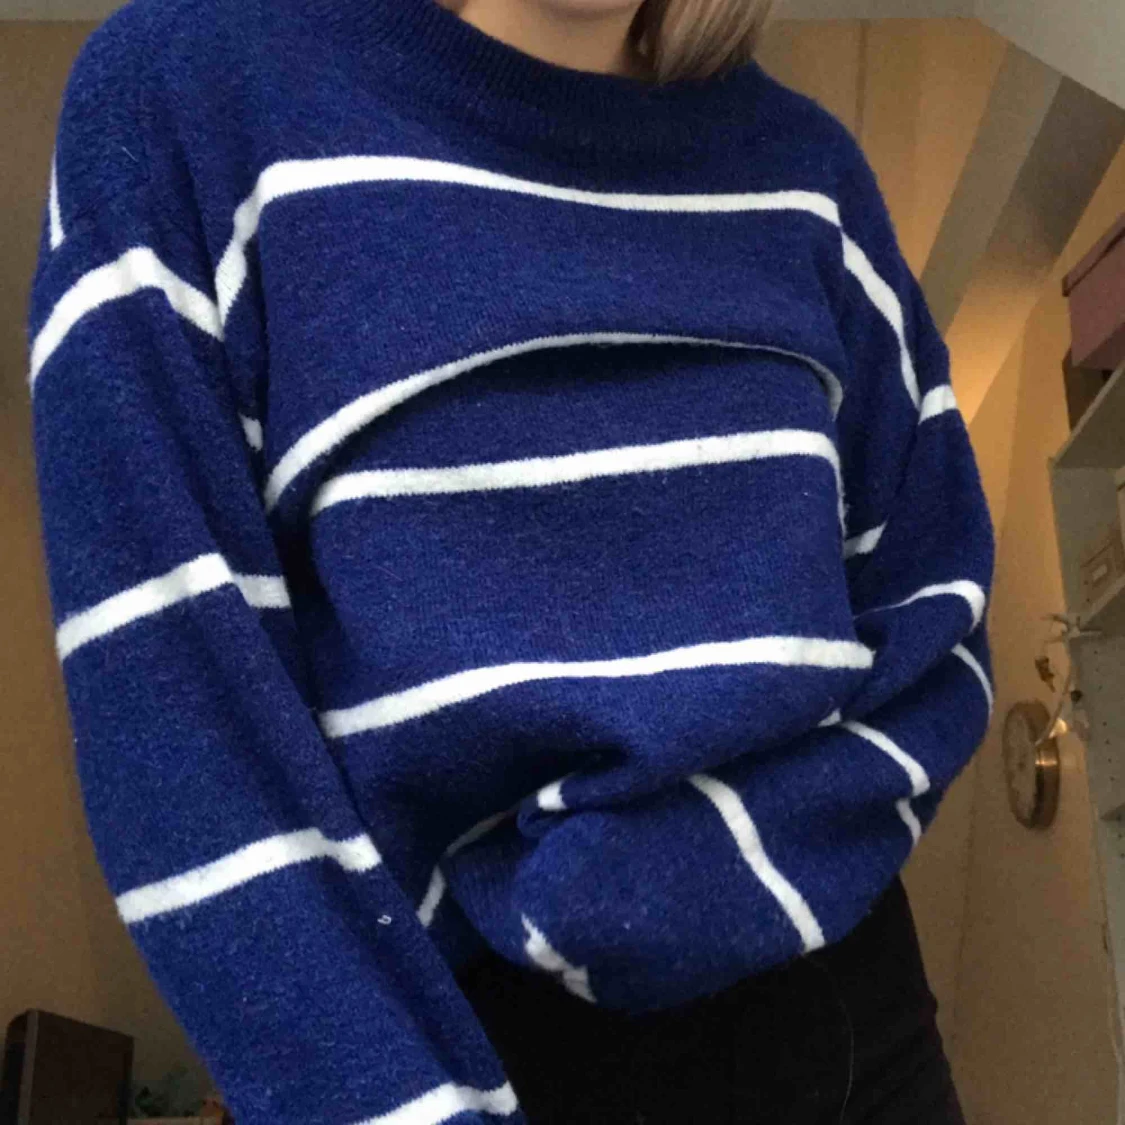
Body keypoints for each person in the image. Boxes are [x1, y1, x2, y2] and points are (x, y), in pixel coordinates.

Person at [27, 0, 995, 1122]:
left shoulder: (811, 173)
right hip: (453, 1030)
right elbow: (183, 722)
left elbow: (936, 605)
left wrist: (740, 855)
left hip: (851, 1015)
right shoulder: (184, 95)